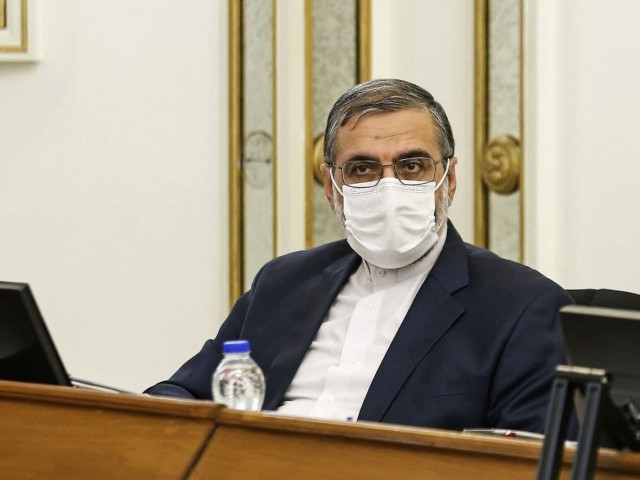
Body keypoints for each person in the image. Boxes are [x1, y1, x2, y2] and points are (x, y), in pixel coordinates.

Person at [145, 78, 573, 434]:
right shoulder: (284, 281)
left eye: (412, 166)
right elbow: (184, 395)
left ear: (449, 179)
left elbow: (531, 460)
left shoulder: (523, 307)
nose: (389, 187)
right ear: (332, 188)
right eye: (362, 169)